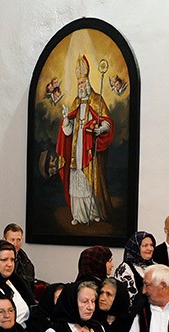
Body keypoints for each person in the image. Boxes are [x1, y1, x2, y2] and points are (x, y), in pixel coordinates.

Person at [57, 55, 113, 225]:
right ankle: (77, 215)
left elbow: (107, 122)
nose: (81, 85)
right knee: (77, 179)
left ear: (88, 82)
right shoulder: (75, 102)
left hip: (89, 149)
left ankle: (93, 212)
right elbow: (67, 131)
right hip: (76, 149)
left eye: (83, 82)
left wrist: (100, 129)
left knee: (91, 181)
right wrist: (65, 119)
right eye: (79, 83)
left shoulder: (97, 100)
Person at [113, 230, 157, 306]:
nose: (150, 248)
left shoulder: (157, 267)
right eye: (145, 245)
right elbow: (127, 299)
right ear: (135, 248)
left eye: (151, 245)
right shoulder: (125, 269)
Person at [5, 223, 37, 290]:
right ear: (4, 240)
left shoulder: (27, 265)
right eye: (12, 240)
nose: (15, 243)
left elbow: (30, 290)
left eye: (18, 240)